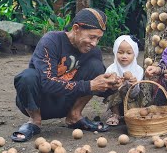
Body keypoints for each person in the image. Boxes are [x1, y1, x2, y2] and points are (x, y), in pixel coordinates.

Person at [11, 8, 121, 142]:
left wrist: (112, 86)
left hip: (66, 102)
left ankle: (74, 116)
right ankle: (34, 121)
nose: (94, 43)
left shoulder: (93, 52)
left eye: (98, 38)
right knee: (27, 77)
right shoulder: (51, 41)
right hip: (40, 102)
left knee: (96, 66)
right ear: (76, 28)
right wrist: (90, 85)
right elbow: (47, 83)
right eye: (92, 37)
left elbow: (97, 90)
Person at [104, 35, 144, 126]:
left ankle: (132, 114)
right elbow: (105, 90)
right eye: (120, 52)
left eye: (129, 53)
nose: (124, 56)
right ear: (115, 52)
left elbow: (135, 93)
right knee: (114, 88)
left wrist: (133, 84)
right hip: (116, 103)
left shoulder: (138, 70)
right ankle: (115, 114)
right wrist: (115, 83)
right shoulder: (111, 69)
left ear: (135, 54)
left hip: (132, 100)